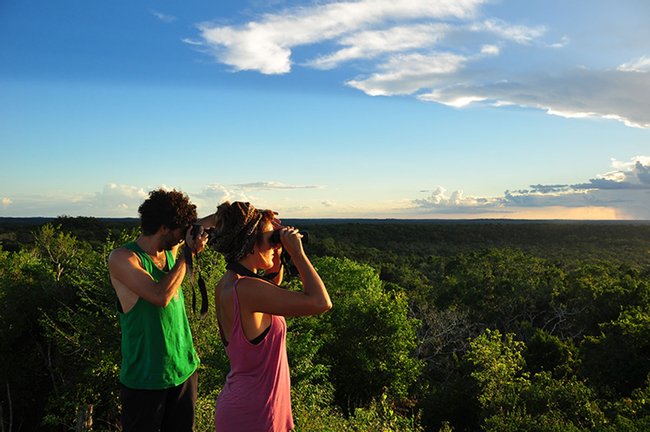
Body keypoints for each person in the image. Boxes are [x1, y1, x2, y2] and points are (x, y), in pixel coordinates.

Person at [210, 201, 332, 432]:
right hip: (257, 413)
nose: (276, 246)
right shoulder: (247, 290)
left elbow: (270, 287)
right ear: (251, 247)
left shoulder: (228, 284)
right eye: (270, 240)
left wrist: (276, 251)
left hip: (244, 405)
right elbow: (320, 302)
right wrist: (296, 252)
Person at [108, 188, 213, 431]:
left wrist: (228, 213)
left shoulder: (169, 251)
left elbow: (203, 223)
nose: (181, 239)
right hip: (145, 380)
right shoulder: (123, 257)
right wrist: (187, 255)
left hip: (184, 370)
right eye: (180, 232)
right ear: (164, 228)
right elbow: (160, 295)